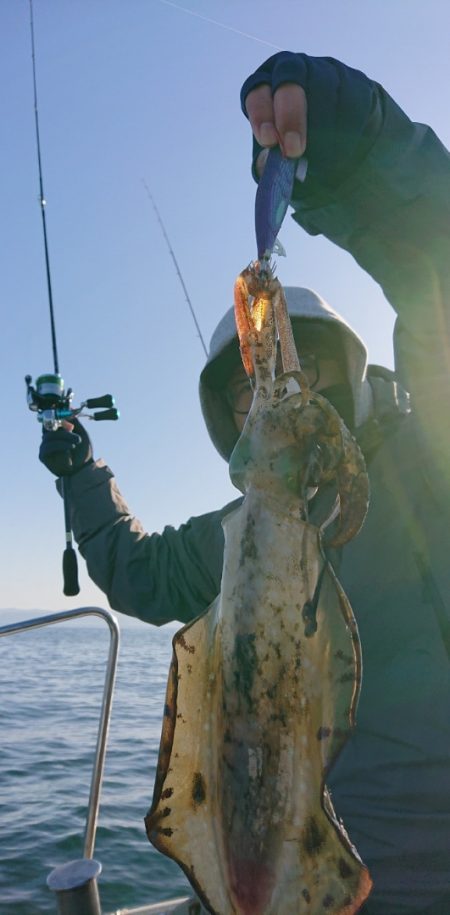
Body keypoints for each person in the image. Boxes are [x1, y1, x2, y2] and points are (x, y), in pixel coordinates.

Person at [39, 53, 450, 915]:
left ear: (340, 369)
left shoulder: (431, 463)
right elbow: (141, 571)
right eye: (243, 391)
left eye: (288, 365)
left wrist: (357, 146)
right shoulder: (238, 536)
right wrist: (82, 475)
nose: (265, 391)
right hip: (257, 859)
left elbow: (437, 271)